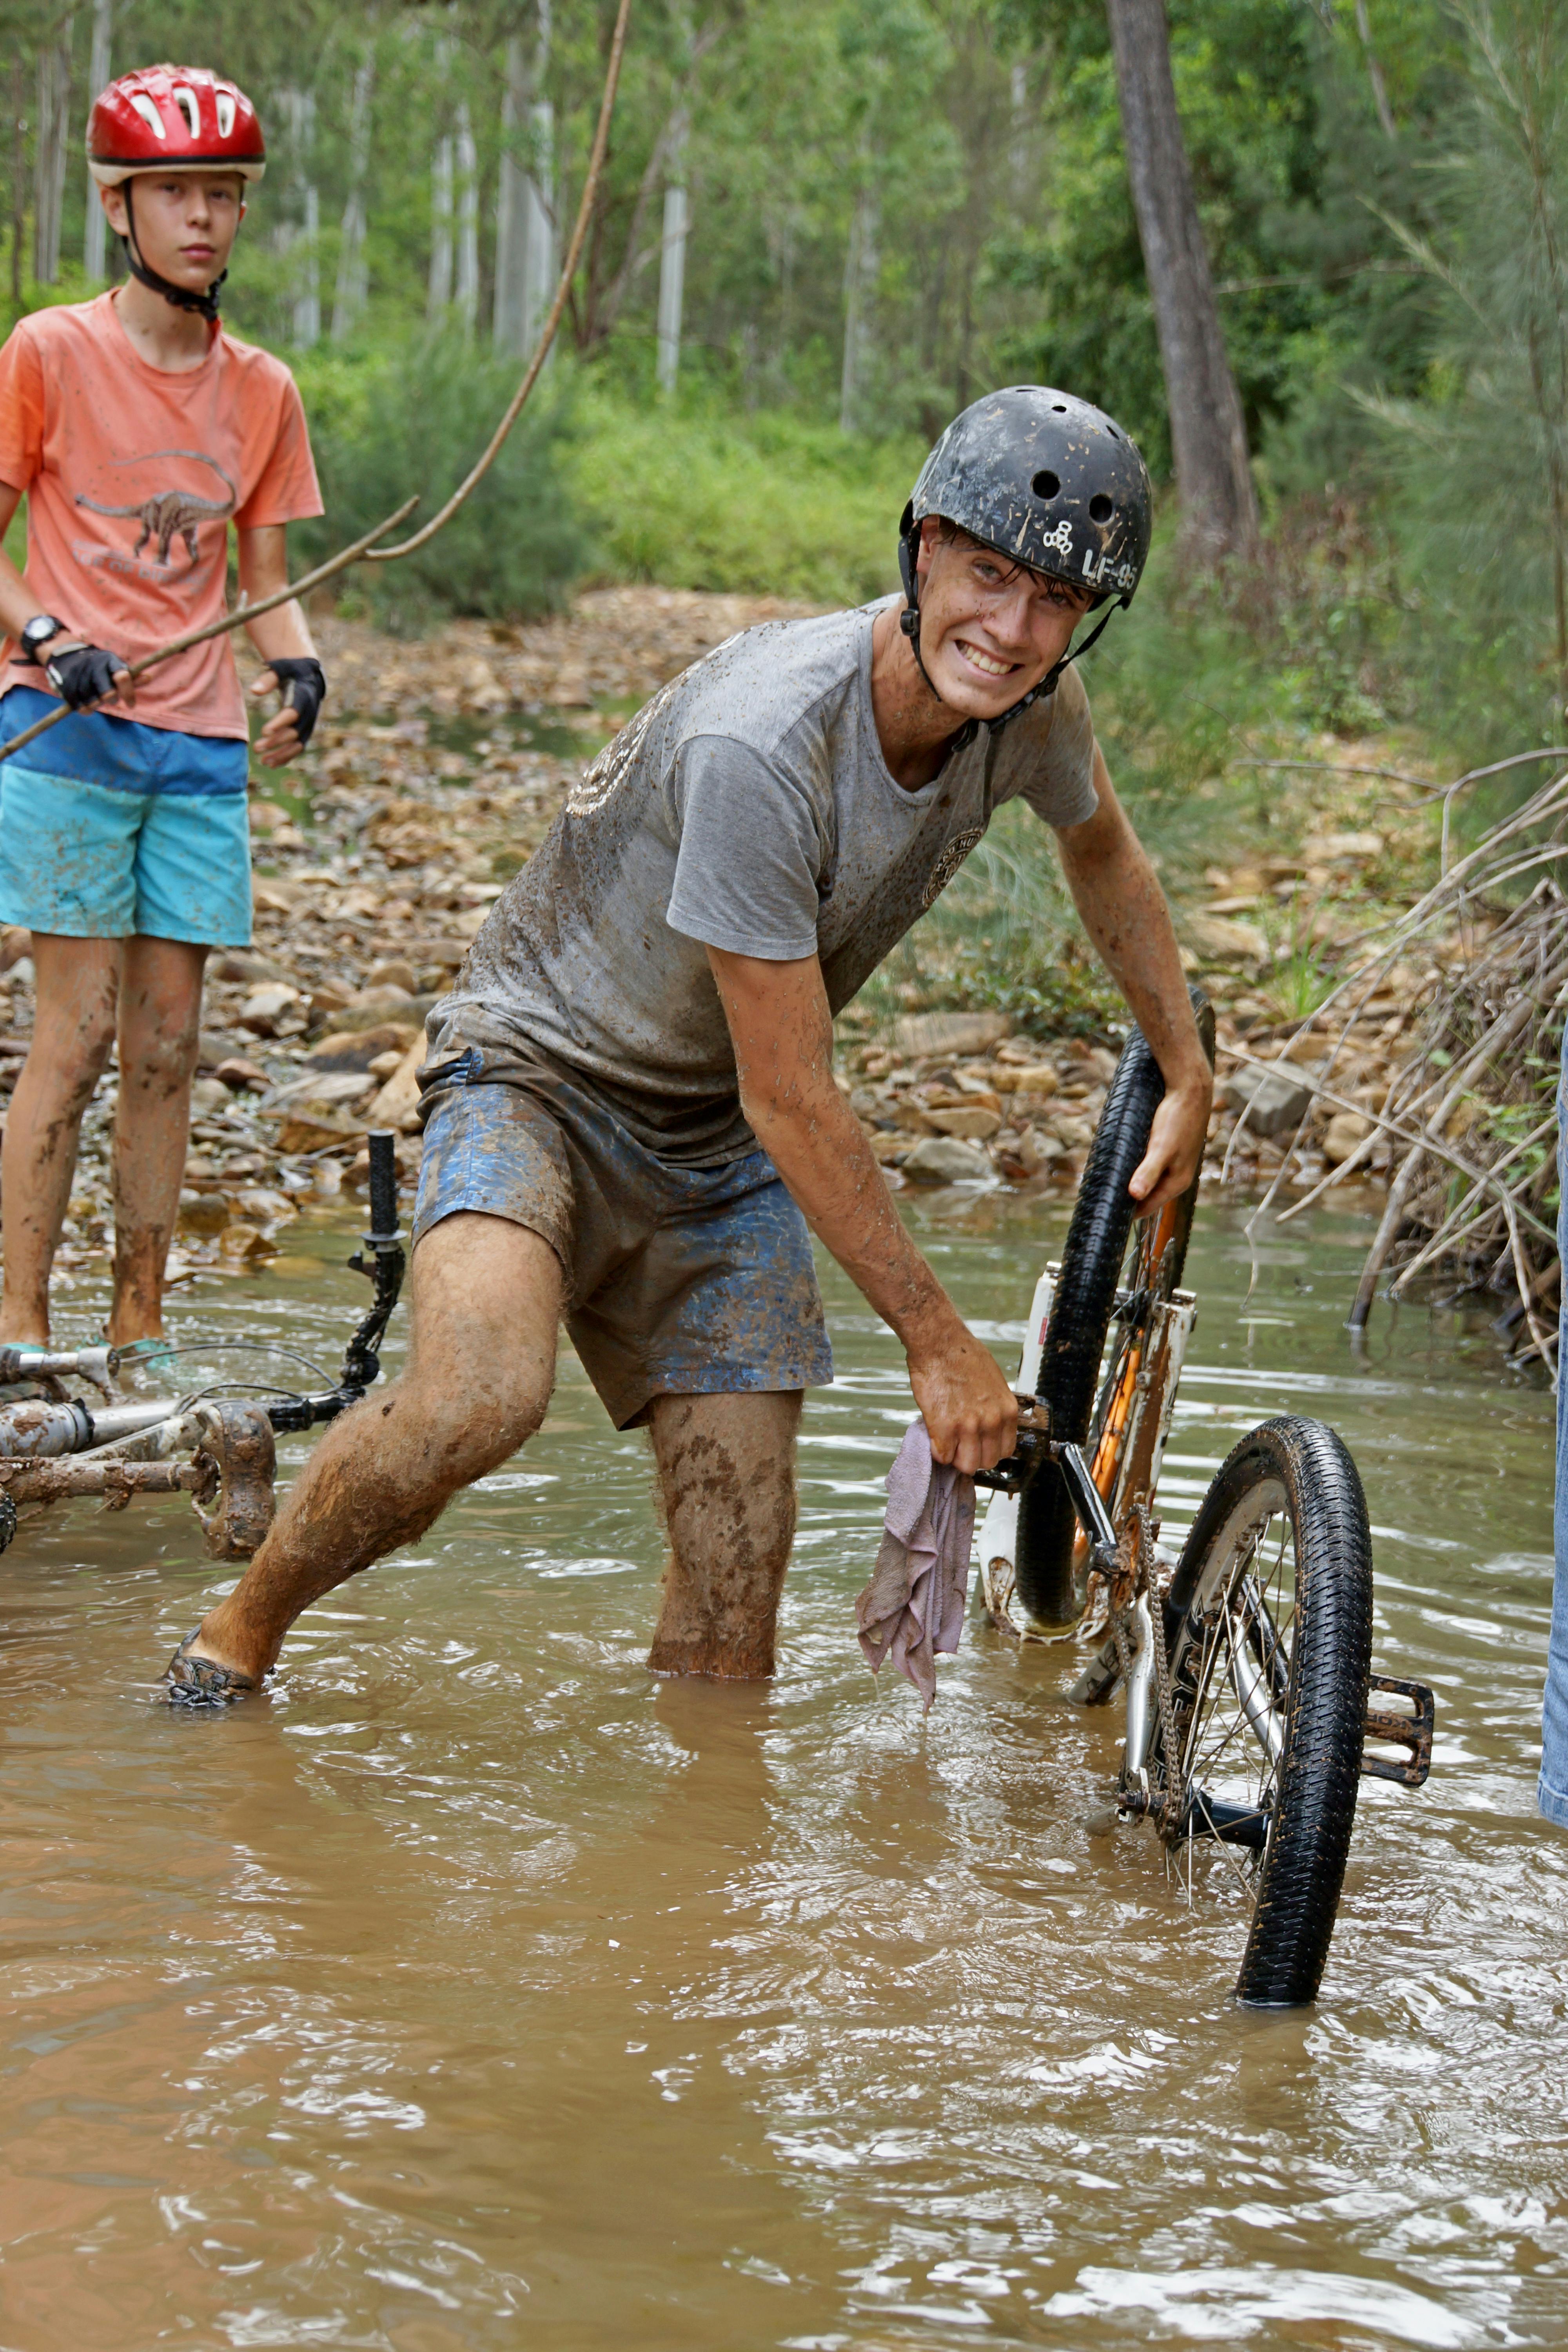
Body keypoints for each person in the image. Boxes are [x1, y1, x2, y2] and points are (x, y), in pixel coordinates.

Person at [164, 385, 1214, 1705]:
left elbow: (1103, 851)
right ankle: (238, 1633)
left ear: (1083, 623)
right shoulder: (764, 745)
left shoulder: (1033, 711)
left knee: (735, 1613)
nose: (1008, 631)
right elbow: (795, 1092)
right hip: (541, 1078)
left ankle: (693, 1878)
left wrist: (1185, 1067)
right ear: (925, 547)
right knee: (480, 1398)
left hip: (715, 1141)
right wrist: (940, 1343)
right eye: (988, 576)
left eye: (1052, 603)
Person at [0, 64, 325, 1349]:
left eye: (222, 194)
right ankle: (18, 1331)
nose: (201, 217)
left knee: (171, 1050)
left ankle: (140, 1332)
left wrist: (297, 672)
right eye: (173, 192)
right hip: (67, 735)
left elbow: (266, 587)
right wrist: (44, 632)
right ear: (117, 206)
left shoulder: (263, 390)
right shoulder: (49, 352)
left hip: (197, 746)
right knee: (72, 1039)